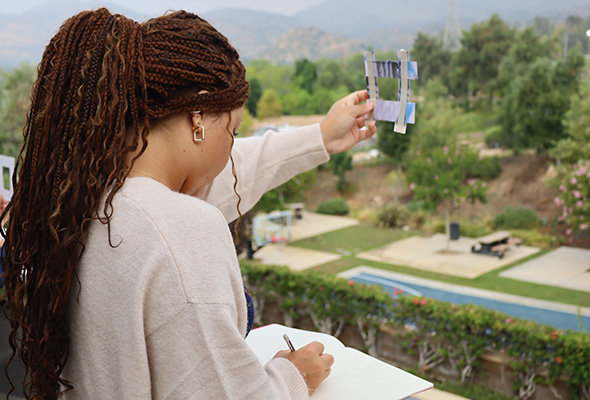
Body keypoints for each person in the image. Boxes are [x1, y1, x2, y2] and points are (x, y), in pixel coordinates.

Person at [0, 8, 376, 400]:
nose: (231, 145)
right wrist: (291, 376)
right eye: (232, 129)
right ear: (197, 114)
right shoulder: (181, 229)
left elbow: (222, 178)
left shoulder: (77, 197)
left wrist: (321, 138)